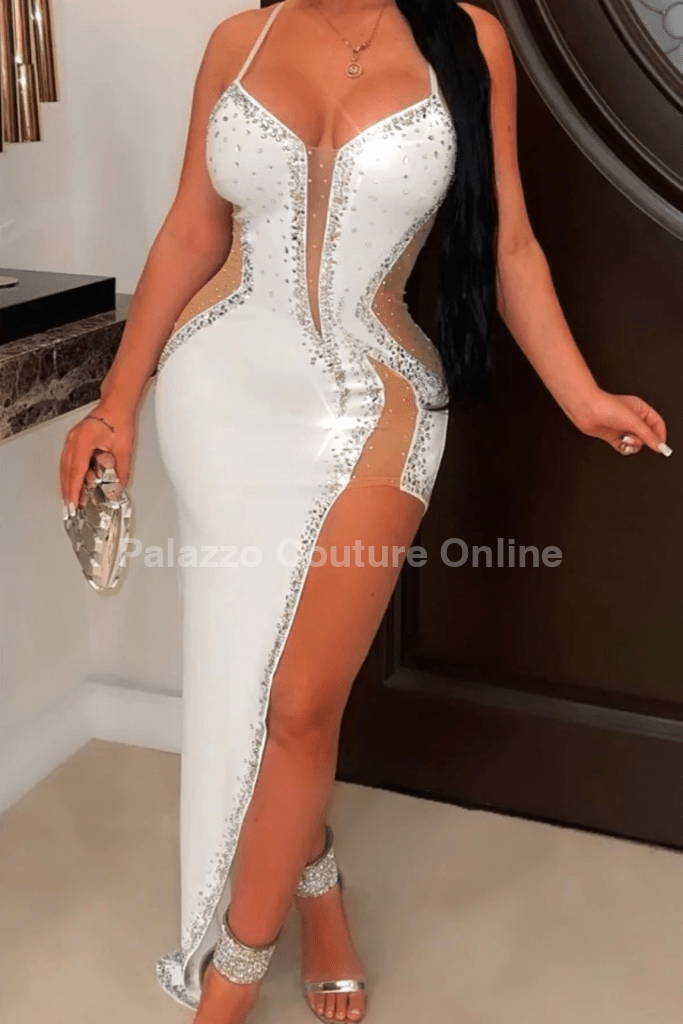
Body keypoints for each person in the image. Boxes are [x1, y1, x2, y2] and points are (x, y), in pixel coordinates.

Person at [59, 1, 670, 1022]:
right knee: (252, 682)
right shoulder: (238, 41)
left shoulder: (467, 40)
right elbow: (190, 232)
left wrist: (578, 393)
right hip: (218, 393)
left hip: (376, 398)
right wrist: (114, 402)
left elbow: (509, 244)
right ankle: (315, 885)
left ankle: (230, 980)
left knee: (302, 701)